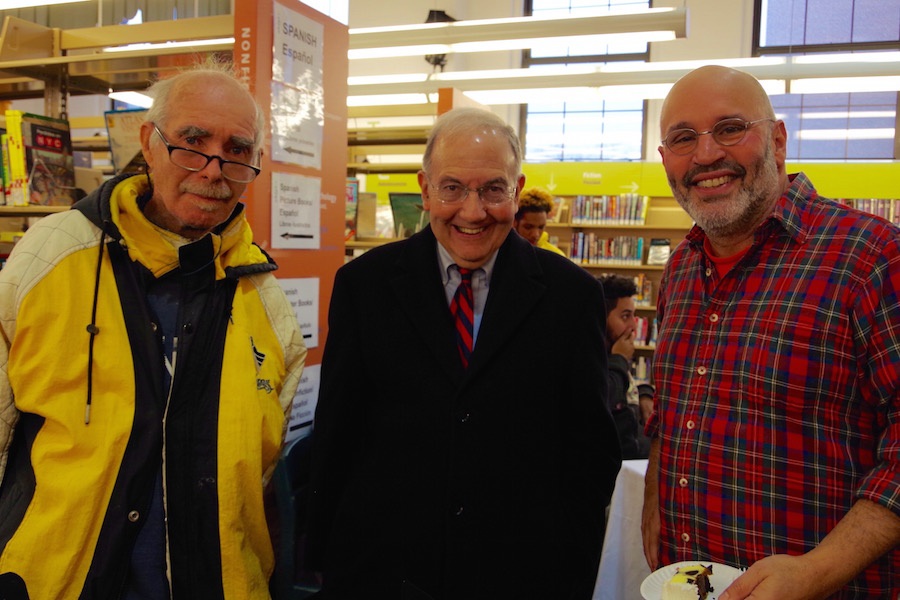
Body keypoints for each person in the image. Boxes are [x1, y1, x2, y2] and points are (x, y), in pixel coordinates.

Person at [0, 64, 306, 597]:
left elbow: (256, 476)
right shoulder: (50, 258)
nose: (213, 170)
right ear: (149, 141)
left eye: (236, 150)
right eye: (192, 141)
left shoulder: (266, 301)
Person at [306, 107, 622, 599]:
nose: (472, 211)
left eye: (493, 189)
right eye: (452, 188)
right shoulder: (363, 286)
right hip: (386, 567)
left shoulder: (572, 296)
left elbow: (590, 448)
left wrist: (572, 567)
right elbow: (337, 431)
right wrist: (325, 555)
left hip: (521, 571)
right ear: (425, 189)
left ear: (516, 190)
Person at [641, 65, 900, 599]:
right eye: (684, 138)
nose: (707, 155)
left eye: (731, 128)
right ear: (665, 159)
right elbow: (672, 415)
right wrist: (652, 504)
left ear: (778, 140)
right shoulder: (682, 270)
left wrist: (818, 571)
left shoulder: (872, 258)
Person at [598, 274, 653, 460]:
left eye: (633, 316)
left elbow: (626, 390)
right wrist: (620, 359)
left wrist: (645, 393)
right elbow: (605, 397)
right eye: (625, 316)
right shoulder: (592, 357)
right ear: (601, 317)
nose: (633, 326)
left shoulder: (614, 353)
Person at [513, 185, 566, 256]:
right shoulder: (500, 252)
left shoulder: (556, 256)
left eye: (541, 227)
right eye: (528, 227)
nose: (535, 234)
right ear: (514, 222)